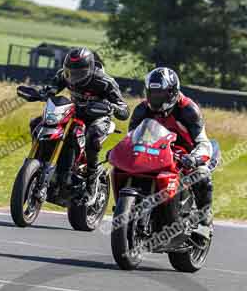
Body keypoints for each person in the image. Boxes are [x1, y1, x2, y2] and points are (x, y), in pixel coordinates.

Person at [31, 47, 130, 192]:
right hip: (75, 112)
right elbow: (53, 87)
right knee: (37, 123)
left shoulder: (105, 82)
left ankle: (91, 176)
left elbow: (125, 110)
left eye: (79, 73)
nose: (73, 77)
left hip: (98, 116)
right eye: (70, 72)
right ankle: (41, 161)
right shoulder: (65, 74)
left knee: (93, 137)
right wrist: (42, 93)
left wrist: (113, 107)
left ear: (90, 69)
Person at [128, 67, 214, 226]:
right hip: (153, 151)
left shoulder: (188, 110)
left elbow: (203, 141)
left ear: (172, 92)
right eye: (152, 93)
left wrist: (194, 158)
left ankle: (204, 213)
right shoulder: (142, 109)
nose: (156, 98)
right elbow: (130, 137)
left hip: (184, 155)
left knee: (202, 174)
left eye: (160, 94)